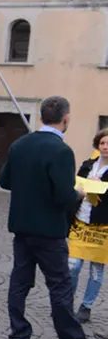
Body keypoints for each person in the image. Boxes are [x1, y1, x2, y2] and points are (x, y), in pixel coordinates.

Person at [0, 96, 108, 339]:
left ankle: (19, 337)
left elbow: (4, 181)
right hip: (49, 232)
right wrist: (80, 193)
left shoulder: (19, 144)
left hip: (22, 229)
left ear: (42, 116)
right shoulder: (60, 150)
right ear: (65, 118)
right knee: (60, 288)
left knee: (19, 283)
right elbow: (63, 197)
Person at [68, 128, 108, 323]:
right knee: (72, 266)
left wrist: (101, 186)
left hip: (102, 226)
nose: (106, 147)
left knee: (96, 270)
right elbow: (74, 185)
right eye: (103, 143)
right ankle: (67, 302)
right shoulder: (87, 165)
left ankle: (87, 306)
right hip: (81, 221)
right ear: (97, 145)